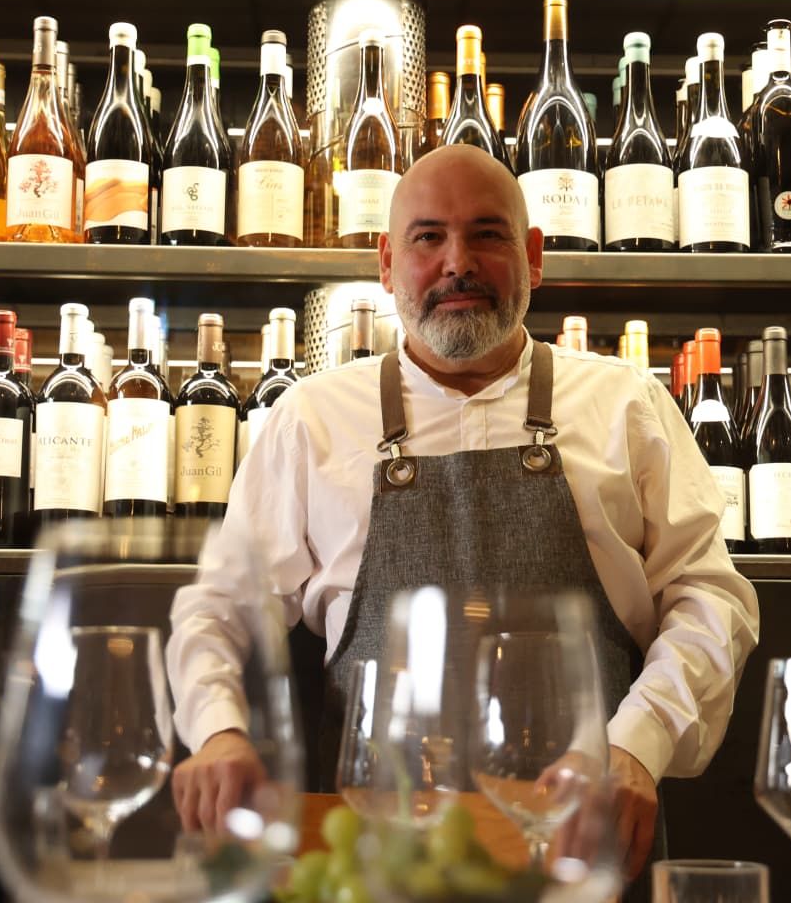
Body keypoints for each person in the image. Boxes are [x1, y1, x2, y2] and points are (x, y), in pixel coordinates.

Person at [167, 144, 760, 887]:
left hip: (588, 850)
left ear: (533, 256)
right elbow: (216, 609)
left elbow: (712, 599)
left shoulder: (626, 405)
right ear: (386, 264)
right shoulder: (312, 419)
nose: (458, 263)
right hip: (377, 863)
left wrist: (637, 746)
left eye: (486, 234)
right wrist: (218, 732)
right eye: (427, 238)